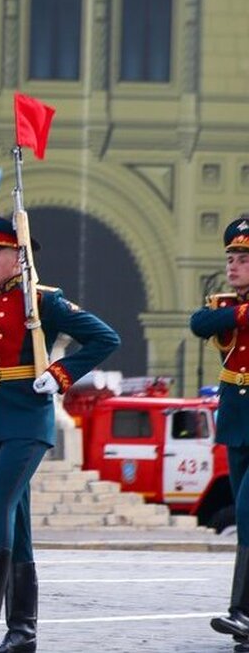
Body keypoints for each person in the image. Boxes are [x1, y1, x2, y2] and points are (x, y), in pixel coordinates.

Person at [0, 214, 118, 653]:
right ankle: (24, 631)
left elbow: (106, 338)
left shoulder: (44, 301)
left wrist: (61, 374)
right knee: (18, 522)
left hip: (29, 418)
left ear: (19, 256)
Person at [193, 218, 249, 650]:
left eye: (243, 259)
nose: (233, 265)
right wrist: (239, 312)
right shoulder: (228, 304)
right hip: (237, 423)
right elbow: (200, 321)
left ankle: (241, 611)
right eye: (231, 257)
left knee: (246, 512)